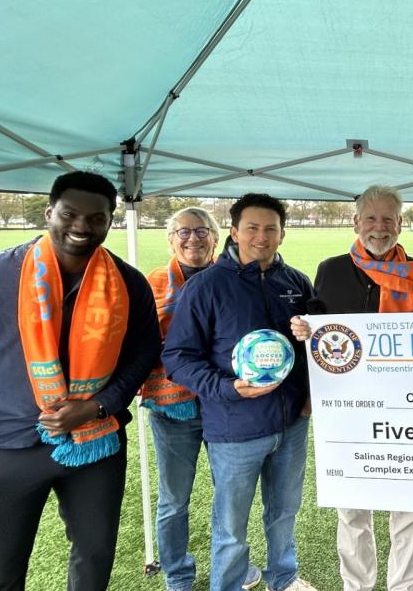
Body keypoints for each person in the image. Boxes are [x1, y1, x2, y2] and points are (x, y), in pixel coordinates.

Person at [0, 171, 160, 590]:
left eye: (96, 218)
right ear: (50, 212)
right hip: (4, 448)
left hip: (95, 447)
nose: (81, 227)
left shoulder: (128, 283)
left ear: (110, 221)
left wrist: (98, 405)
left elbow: (143, 354)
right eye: (69, 213)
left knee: (94, 560)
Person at [290, 185, 413, 591]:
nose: (380, 228)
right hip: (347, 408)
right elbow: (317, 330)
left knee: (409, 509)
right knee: (352, 509)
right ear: (357, 222)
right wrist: (304, 331)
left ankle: (404, 587)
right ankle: (356, 585)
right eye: (372, 219)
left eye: (388, 219)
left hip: (408, 407)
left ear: (400, 224)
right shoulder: (330, 269)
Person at [163, 193, 317, 591]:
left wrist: (309, 342)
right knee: (231, 526)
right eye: (252, 228)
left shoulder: (297, 282)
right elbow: (177, 357)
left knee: (283, 514)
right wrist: (227, 388)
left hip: (291, 425)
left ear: (282, 234)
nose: (261, 237)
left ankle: (283, 578)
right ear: (234, 232)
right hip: (234, 428)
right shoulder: (206, 286)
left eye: (270, 229)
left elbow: (320, 349)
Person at [142, 207, 263, 591]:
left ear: (216, 237)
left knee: (230, 495)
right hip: (172, 406)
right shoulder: (153, 283)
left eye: (201, 231)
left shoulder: (232, 279)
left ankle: (233, 568)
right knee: (174, 499)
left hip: (225, 405)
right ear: (170, 239)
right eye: (183, 232)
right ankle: (178, 574)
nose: (192, 238)